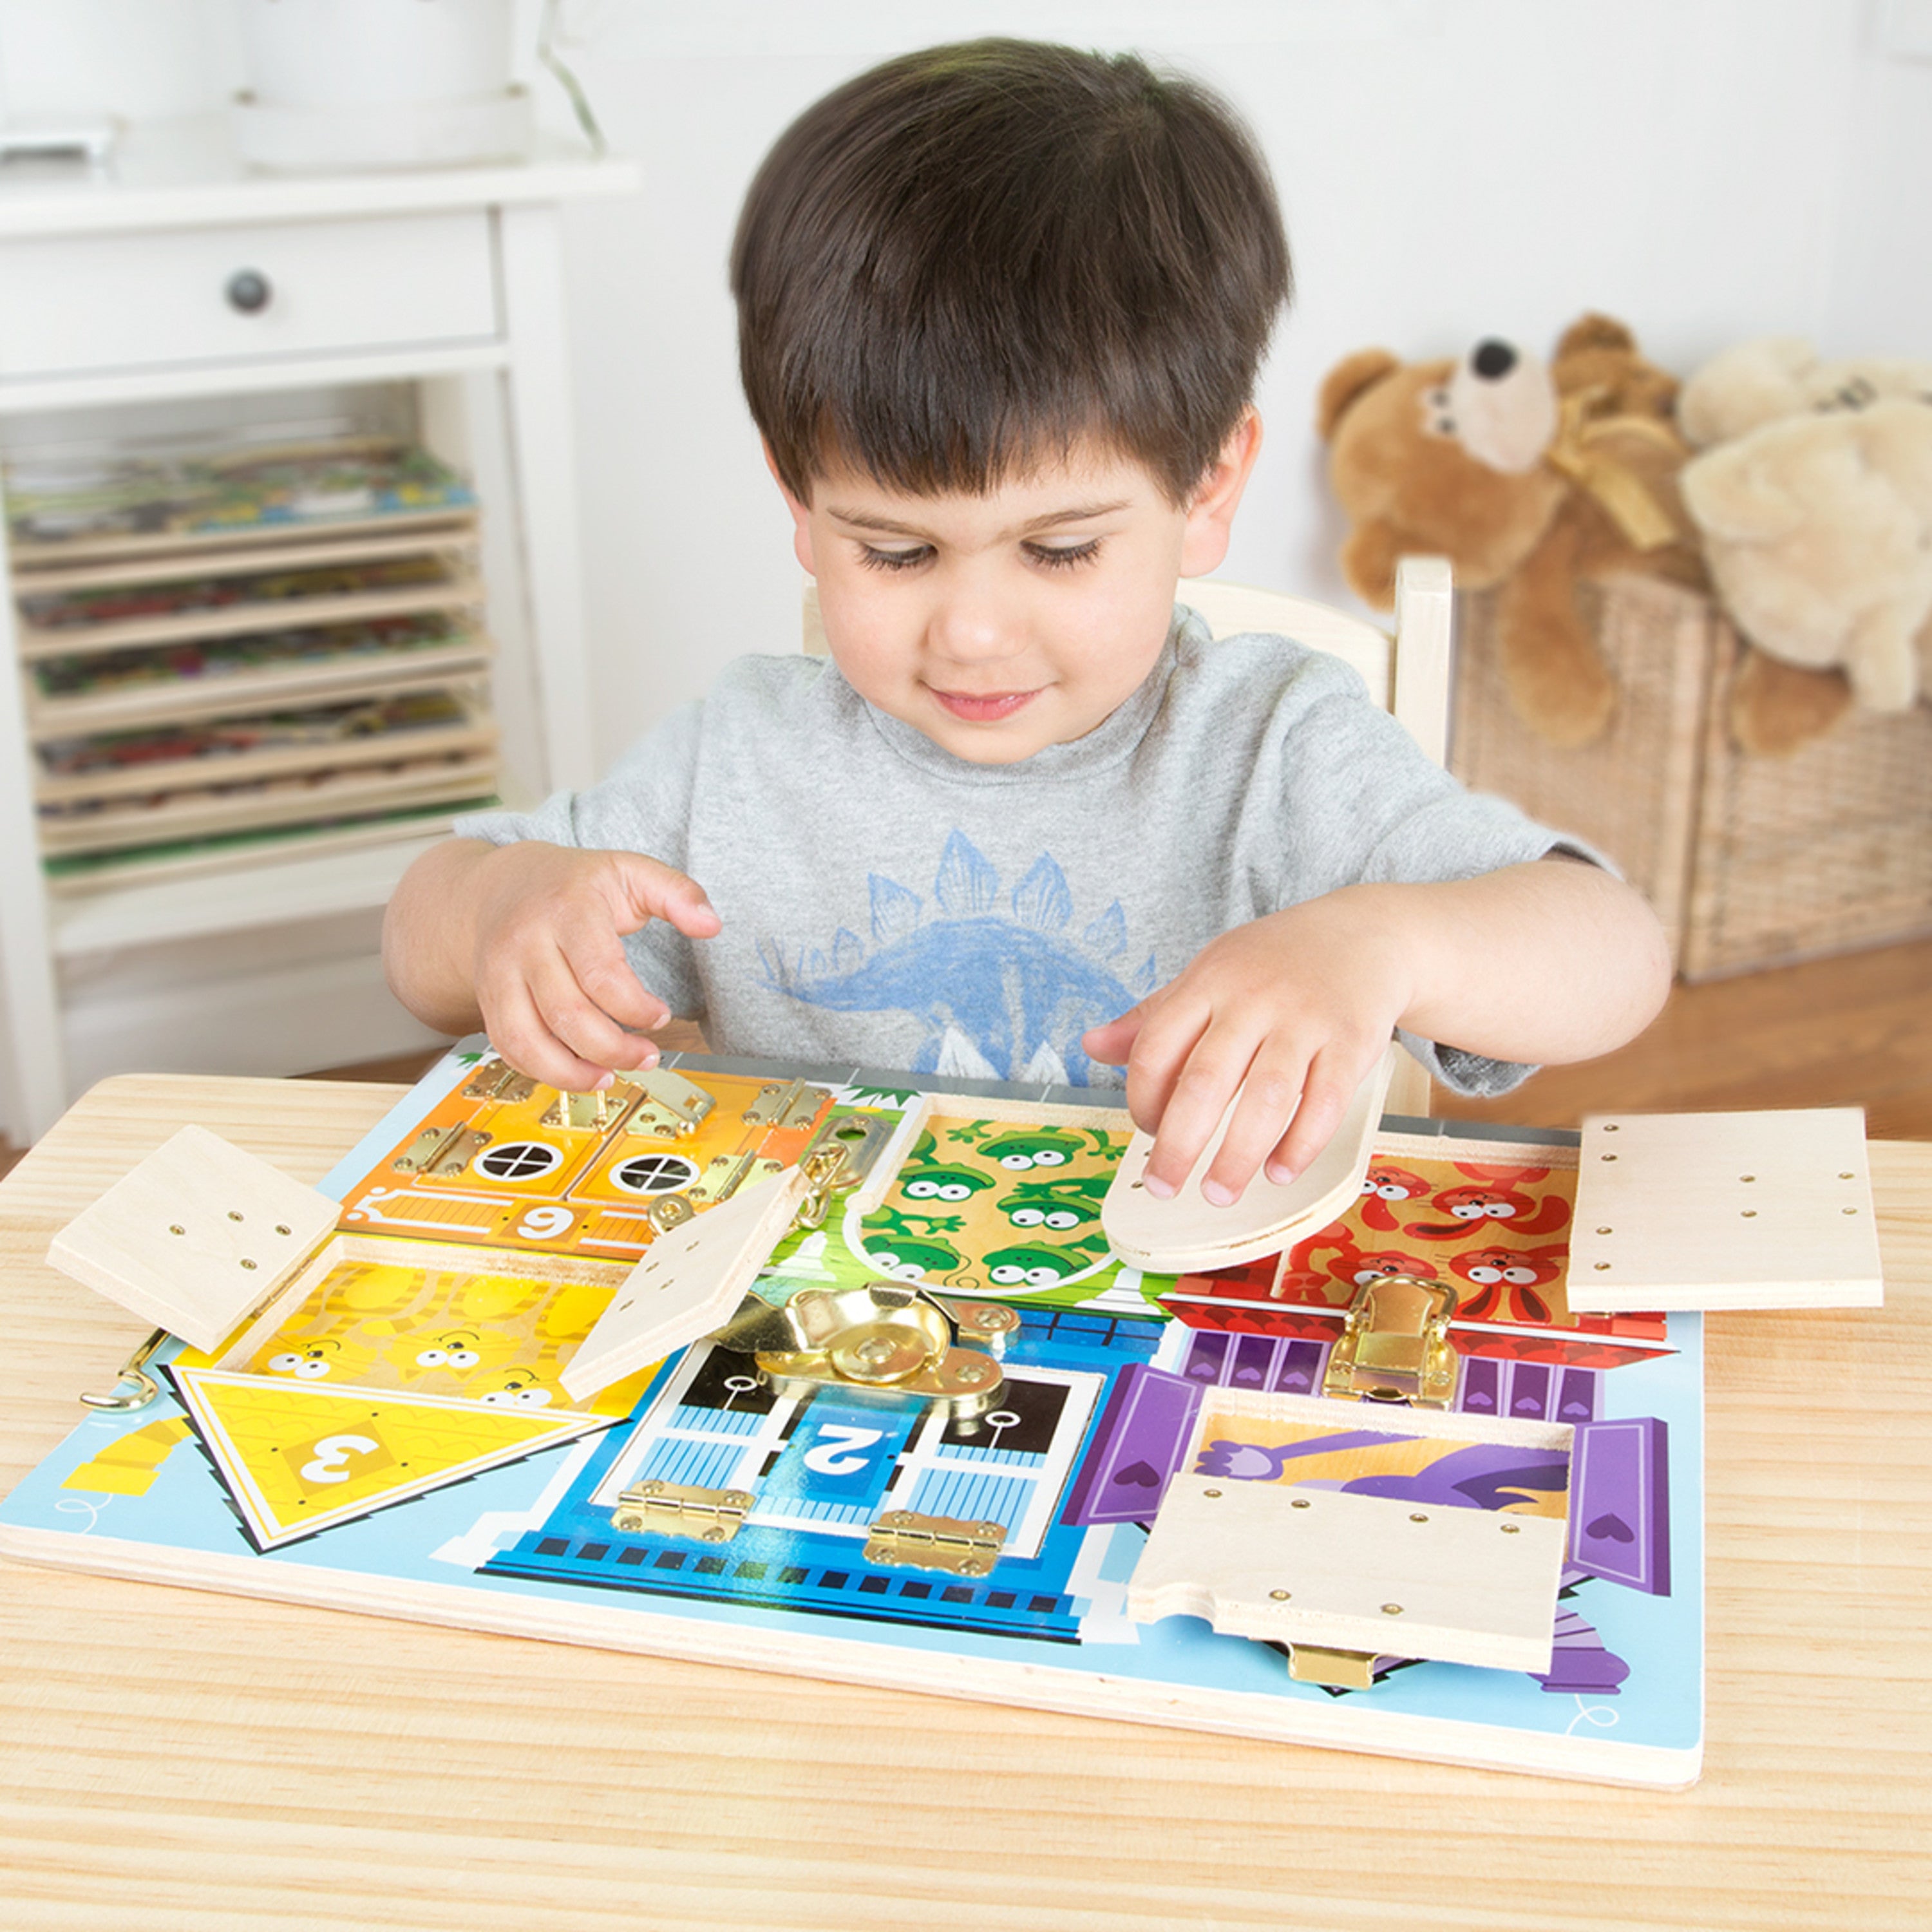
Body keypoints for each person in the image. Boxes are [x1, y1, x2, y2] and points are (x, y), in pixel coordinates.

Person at [383, 38, 1670, 1209]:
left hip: (1187, 1323)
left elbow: (1614, 950)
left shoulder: (1275, 747)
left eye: (1059, 550)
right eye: (895, 551)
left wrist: (1384, 943)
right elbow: (419, 936)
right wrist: (503, 900)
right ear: (801, 505)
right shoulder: (740, 757)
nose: (974, 634)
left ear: (1206, 490)